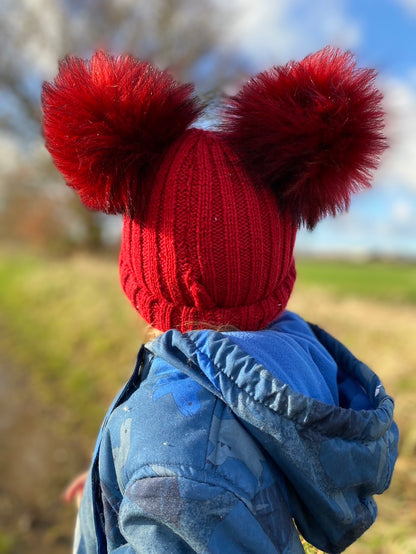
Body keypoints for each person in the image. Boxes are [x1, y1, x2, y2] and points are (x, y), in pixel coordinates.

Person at [42, 47, 399, 553]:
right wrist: (113, 484)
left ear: (144, 271)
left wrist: (152, 476)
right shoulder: (296, 368)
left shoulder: (173, 466)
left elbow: (186, 474)